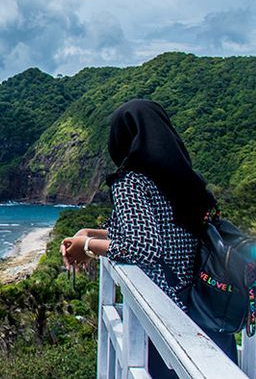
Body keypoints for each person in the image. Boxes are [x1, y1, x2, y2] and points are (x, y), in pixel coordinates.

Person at [60, 99, 237, 377]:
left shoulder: (131, 182)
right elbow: (163, 234)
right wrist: (89, 234)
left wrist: (86, 247)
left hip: (167, 318)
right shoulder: (187, 179)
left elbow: (141, 247)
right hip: (206, 313)